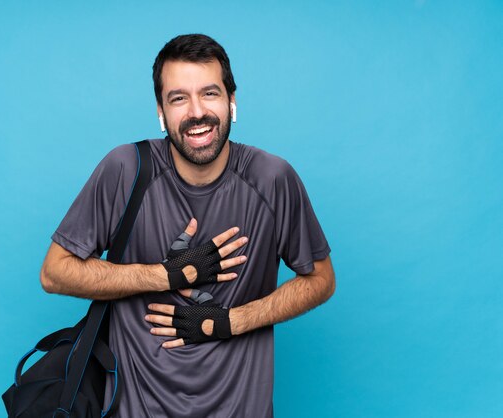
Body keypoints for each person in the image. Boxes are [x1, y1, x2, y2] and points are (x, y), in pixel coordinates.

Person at [40, 34, 335, 418]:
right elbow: (54, 273)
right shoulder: (126, 170)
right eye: (179, 98)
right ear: (161, 112)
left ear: (232, 101)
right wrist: (166, 275)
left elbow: (321, 280)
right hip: (134, 409)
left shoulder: (272, 180)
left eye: (210, 94)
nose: (197, 112)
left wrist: (232, 321)